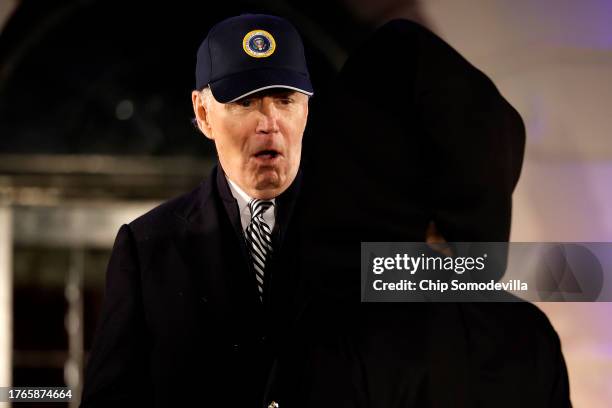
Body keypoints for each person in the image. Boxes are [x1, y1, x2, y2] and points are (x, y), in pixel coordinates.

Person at [80, 14, 313, 407]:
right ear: (203, 114)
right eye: (245, 102)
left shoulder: (365, 233)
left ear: (306, 110)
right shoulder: (147, 249)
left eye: (285, 100)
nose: (269, 123)